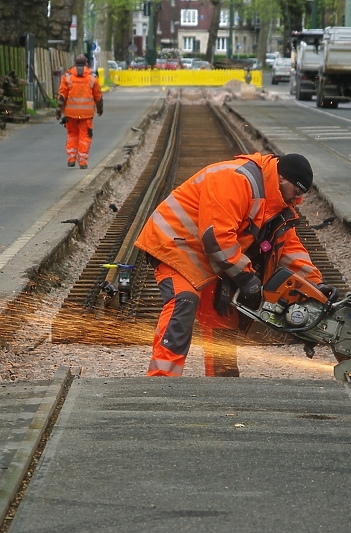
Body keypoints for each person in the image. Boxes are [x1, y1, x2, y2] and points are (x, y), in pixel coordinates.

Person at [135, 152, 334, 377]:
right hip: (174, 244)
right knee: (184, 300)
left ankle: (222, 381)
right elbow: (216, 238)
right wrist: (246, 277)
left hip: (207, 255)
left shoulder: (275, 203)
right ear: (281, 179)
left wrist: (316, 286)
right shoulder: (235, 180)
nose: (297, 200)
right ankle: (161, 381)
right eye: (296, 192)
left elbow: (289, 250)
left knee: (224, 315)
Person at [56, 54, 103, 170]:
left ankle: (71, 159)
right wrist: (100, 109)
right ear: (86, 63)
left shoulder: (67, 76)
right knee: (85, 136)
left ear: (75, 63)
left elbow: (62, 96)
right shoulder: (92, 77)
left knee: (72, 134)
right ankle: (82, 161)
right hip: (86, 115)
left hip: (70, 114)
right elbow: (98, 96)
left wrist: (58, 111)